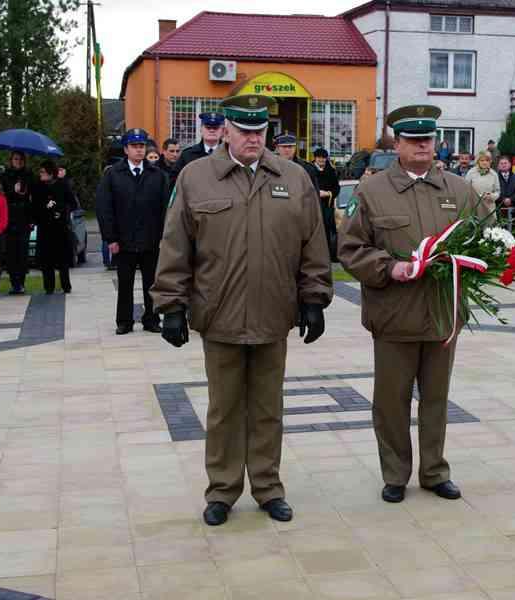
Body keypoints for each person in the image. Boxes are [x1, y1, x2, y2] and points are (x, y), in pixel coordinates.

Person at [151, 94, 333, 526]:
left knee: (269, 406)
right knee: (224, 408)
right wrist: (171, 305)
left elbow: (313, 243)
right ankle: (222, 490)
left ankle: (268, 486)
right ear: (225, 131)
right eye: (244, 130)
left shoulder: (294, 177)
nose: (253, 138)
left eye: (260, 130)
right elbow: (175, 244)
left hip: (274, 313)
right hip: (219, 314)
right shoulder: (196, 178)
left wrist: (314, 298)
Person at [339, 104, 488, 505]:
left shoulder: (459, 190)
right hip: (395, 315)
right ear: (396, 143)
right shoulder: (371, 191)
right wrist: (389, 268)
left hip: (442, 314)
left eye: (427, 139)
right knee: (391, 402)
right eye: (412, 140)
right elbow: (351, 249)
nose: (422, 146)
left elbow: (487, 241)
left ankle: (435, 471)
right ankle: (395, 474)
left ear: (436, 142)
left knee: (437, 399)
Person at [97, 128, 169, 333]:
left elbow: (166, 208)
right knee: (125, 282)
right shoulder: (113, 174)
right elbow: (104, 208)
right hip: (123, 239)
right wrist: (110, 238)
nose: (139, 150)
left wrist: (164, 237)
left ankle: (152, 319)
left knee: (152, 282)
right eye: (135, 146)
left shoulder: (158, 175)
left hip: (151, 239)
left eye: (142, 146)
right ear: (126, 149)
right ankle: (124, 321)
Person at [33, 161, 76, 294]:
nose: (41, 174)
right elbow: (34, 207)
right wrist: (45, 207)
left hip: (60, 228)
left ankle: (66, 285)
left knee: (63, 260)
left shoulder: (63, 185)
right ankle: (49, 286)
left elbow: (73, 203)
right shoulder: (38, 187)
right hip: (45, 227)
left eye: (43, 172)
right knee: (46, 261)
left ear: (51, 174)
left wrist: (61, 209)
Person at [0, 152, 34, 294]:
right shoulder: (4, 176)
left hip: (24, 218)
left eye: (20, 159)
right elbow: (2, 197)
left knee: (22, 253)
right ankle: (14, 283)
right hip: (9, 218)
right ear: (11, 160)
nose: (18, 161)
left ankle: (21, 282)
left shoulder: (29, 176)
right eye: (15, 159)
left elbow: (32, 197)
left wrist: (32, 219)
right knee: (11, 253)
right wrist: (13, 191)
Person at [313, 147, 340, 261]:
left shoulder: (331, 171)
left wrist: (328, 193)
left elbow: (336, 188)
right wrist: (316, 192)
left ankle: (327, 256)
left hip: (327, 207)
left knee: (327, 232)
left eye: (324, 159)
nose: (322, 161)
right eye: (319, 159)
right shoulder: (309, 169)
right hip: (312, 206)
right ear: (315, 159)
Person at [465, 151, 500, 216]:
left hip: (489, 207)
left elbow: (497, 192)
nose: (484, 162)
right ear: (478, 161)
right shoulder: (471, 172)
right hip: (474, 207)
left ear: (490, 161)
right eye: (482, 160)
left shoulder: (494, 174)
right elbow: (465, 189)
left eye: (487, 160)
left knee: (489, 226)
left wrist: (491, 196)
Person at [496, 155, 515, 223]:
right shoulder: (495, 178)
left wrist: (511, 199)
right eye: (501, 163)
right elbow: (494, 191)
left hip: (513, 208)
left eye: (505, 163)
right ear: (498, 166)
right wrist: (503, 199)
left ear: (510, 164)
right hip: (498, 208)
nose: (503, 165)